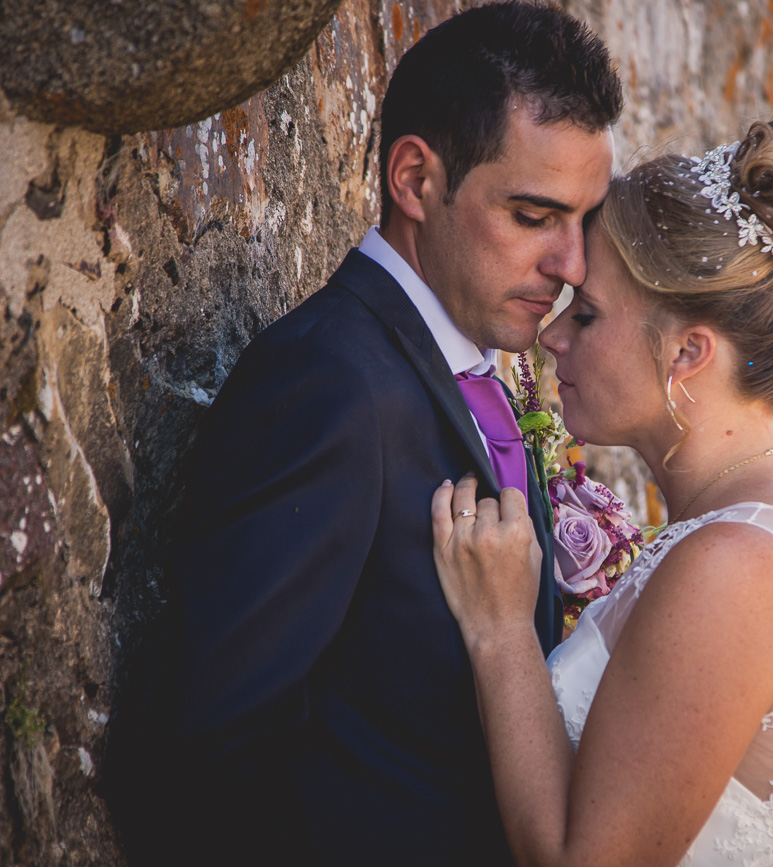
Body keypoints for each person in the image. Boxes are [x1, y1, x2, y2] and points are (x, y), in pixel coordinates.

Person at [109, 4, 622, 864]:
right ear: (416, 180)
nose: (570, 265)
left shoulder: (479, 363)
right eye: (534, 216)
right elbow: (208, 749)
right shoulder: (328, 385)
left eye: (583, 220)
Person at [429, 113, 773, 866]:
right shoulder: (756, 528)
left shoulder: (735, 567)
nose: (552, 336)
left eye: (586, 314)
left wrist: (501, 630)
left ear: (688, 353)